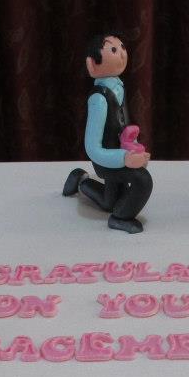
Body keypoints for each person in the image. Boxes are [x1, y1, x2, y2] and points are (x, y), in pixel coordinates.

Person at [63, 33, 153, 234]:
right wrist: (125, 158)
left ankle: (81, 180)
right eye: (113, 49)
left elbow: (120, 125)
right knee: (142, 180)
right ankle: (120, 217)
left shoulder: (119, 88)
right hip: (105, 161)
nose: (121, 53)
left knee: (108, 202)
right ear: (92, 65)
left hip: (119, 153)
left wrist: (132, 145)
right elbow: (92, 148)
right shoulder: (98, 99)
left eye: (122, 47)